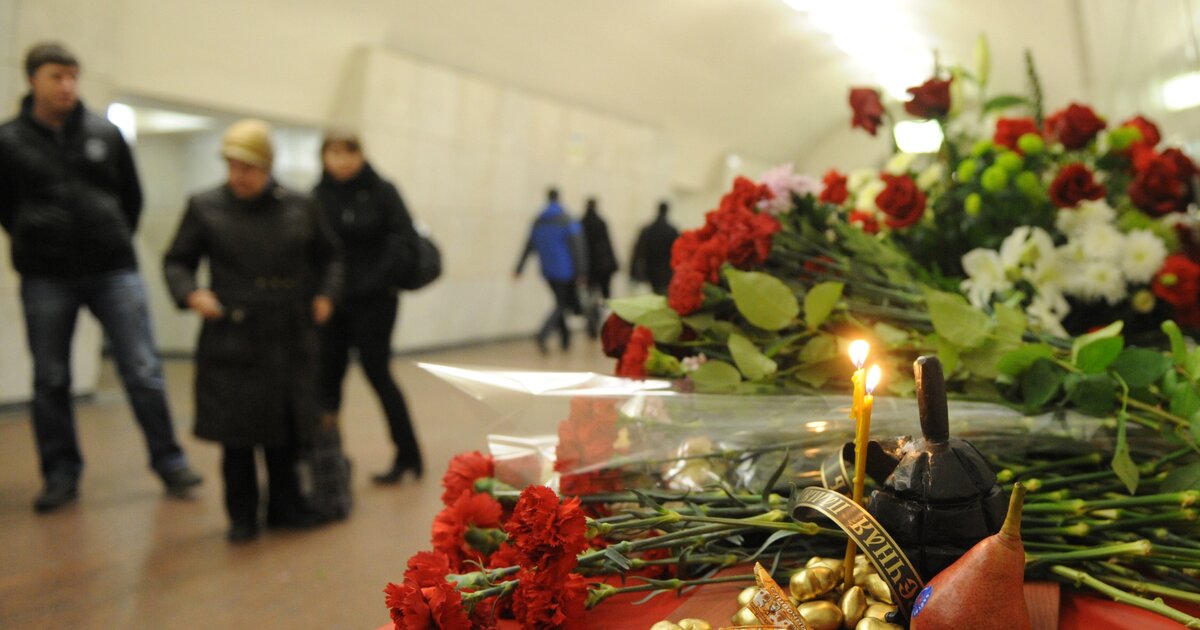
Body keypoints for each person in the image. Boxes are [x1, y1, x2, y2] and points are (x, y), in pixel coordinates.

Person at [0, 42, 202, 513]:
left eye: (73, 75)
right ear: (33, 80)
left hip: (113, 270)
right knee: (51, 378)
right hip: (45, 275)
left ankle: (169, 461)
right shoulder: (8, 141)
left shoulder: (104, 132)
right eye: (56, 76)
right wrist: (34, 236)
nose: (67, 85)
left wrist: (108, 235)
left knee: (143, 370)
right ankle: (60, 474)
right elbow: (7, 207)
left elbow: (131, 198)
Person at [163, 119, 343, 543]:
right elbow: (177, 260)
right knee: (237, 434)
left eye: (248, 167)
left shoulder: (301, 205)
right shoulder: (205, 205)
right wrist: (191, 294)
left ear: (267, 166)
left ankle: (286, 507)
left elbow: (331, 257)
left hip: (289, 330)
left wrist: (326, 296)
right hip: (234, 333)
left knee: (285, 426)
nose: (238, 176)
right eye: (232, 165)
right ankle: (241, 517)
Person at [312, 130, 423, 485]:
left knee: (378, 372)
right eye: (334, 153)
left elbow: (405, 239)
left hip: (376, 300)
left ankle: (408, 454)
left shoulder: (383, 191)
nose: (341, 161)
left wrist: (376, 280)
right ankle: (328, 460)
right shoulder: (318, 196)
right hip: (332, 303)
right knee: (327, 379)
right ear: (324, 157)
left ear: (360, 155)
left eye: (348, 153)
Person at [513, 188, 587, 353]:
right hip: (565, 270)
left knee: (560, 302)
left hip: (547, 270)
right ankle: (543, 333)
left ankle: (565, 339)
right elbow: (577, 247)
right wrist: (581, 271)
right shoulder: (567, 220)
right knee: (561, 304)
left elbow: (528, 245)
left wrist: (519, 268)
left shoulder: (538, 221)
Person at [580, 197, 617, 337]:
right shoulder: (601, 223)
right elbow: (608, 245)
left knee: (590, 297)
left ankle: (592, 323)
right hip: (602, 269)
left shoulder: (581, 223)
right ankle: (600, 323)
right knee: (603, 298)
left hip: (588, 269)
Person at [631, 201, 680, 294]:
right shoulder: (672, 231)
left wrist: (636, 272)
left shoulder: (648, 229)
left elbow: (639, 251)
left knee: (656, 292)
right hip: (666, 269)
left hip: (652, 269)